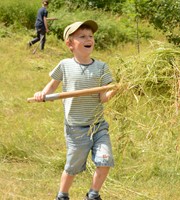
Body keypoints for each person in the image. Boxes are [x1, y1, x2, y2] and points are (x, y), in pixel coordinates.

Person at [33, 20, 116, 200]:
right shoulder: (65, 65)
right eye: (82, 36)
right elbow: (52, 85)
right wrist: (42, 94)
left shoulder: (102, 67)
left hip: (98, 126)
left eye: (91, 36)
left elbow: (103, 97)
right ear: (70, 44)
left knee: (105, 160)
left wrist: (115, 89)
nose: (89, 39)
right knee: (73, 166)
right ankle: (62, 195)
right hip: (76, 128)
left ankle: (93, 195)